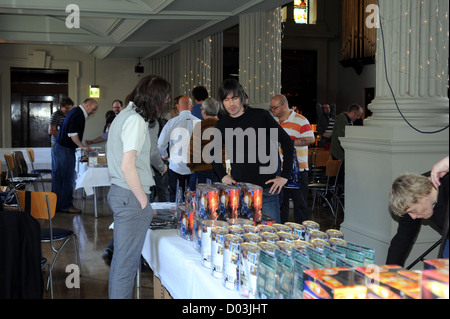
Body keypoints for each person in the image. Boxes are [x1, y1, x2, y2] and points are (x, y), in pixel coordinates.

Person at [106, 75, 171, 299]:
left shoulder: (125, 115)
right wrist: (143, 201)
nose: (167, 101)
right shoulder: (135, 119)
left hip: (123, 193)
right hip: (131, 195)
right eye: (165, 98)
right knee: (126, 265)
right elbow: (127, 166)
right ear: (155, 97)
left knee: (123, 263)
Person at [212, 79, 294, 223]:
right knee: (244, 240)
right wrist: (223, 175)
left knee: (272, 238)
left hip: (267, 191)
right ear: (222, 102)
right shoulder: (222, 124)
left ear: (242, 98)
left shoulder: (260, 116)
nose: (231, 104)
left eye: (235, 98)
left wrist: (285, 176)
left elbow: (287, 142)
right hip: (240, 192)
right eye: (226, 99)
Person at [387, 160, 449, 266]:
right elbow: (401, 242)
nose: (413, 217)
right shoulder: (411, 199)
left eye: (413, 211)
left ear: (423, 195)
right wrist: (389, 275)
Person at [271, 94, 315, 224]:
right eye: (271, 108)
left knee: (300, 205)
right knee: (281, 204)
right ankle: (281, 233)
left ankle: (300, 237)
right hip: (280, 170)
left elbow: (311, 139)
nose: (273, 110)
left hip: (298, 170)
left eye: (275, 108)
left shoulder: (301, 120)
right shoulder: (276, 123)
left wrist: (289, 143)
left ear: (284, 106)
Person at [52, 98, 98, 213]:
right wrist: (82, 147)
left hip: (59, 147)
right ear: (87, 105)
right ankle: (66, 205)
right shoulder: (78, 114)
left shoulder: (74, 111)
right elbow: (73, 134)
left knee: (59, 178)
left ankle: (56, 205)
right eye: (93, 109)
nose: (93, 112)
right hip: (65, 149)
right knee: (68, 178)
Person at [158, 95, 199, 202]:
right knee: (193, 198)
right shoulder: (200, 123)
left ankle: (175, 217)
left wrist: (164, 156)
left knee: (175, 196)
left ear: (178, 107)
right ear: (191, 107)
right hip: (194, 167)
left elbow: (161, 144)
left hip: (176, 166)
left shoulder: (171, 122)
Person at [187, 98, 223, 190]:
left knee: (199, 201)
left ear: (204, 112)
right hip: (220, 173)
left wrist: (192, 167)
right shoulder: (224, 125)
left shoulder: (200, 126)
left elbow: (192, 151)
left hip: (201, 171)